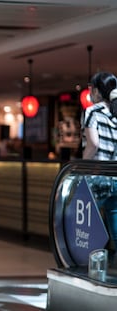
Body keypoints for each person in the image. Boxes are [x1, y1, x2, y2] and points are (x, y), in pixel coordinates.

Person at [82, 71, 117, 266]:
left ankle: (93, 270)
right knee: (115, 228)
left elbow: (93, 144)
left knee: (89, 228)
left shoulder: (92, 112)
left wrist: (80, 167)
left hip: (97, 176)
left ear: (95, 91)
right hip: (116, 177)